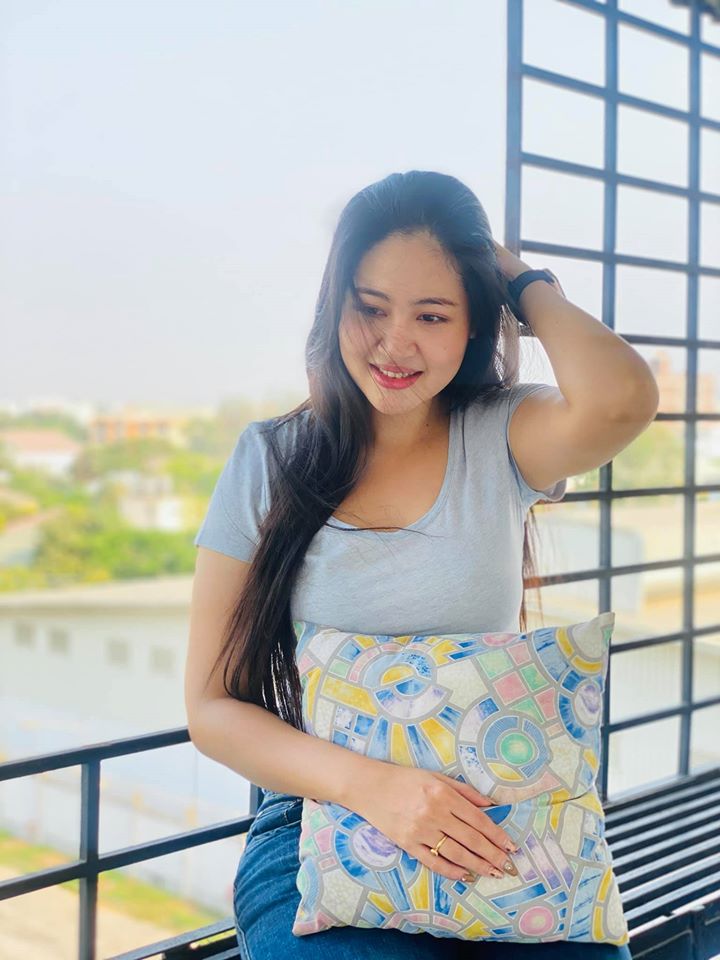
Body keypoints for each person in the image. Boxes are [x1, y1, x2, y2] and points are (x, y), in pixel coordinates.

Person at [186, 170, 658, 959]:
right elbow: (210, 707)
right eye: (370, 308)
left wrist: (521, 280)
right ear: (333, 305)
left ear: (475, 326)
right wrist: (377, 789)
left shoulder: (503, 435)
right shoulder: (269, 459)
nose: (395, 344)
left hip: (501, 822)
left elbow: (621, 400)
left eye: (432, 315)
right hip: (318, 820)